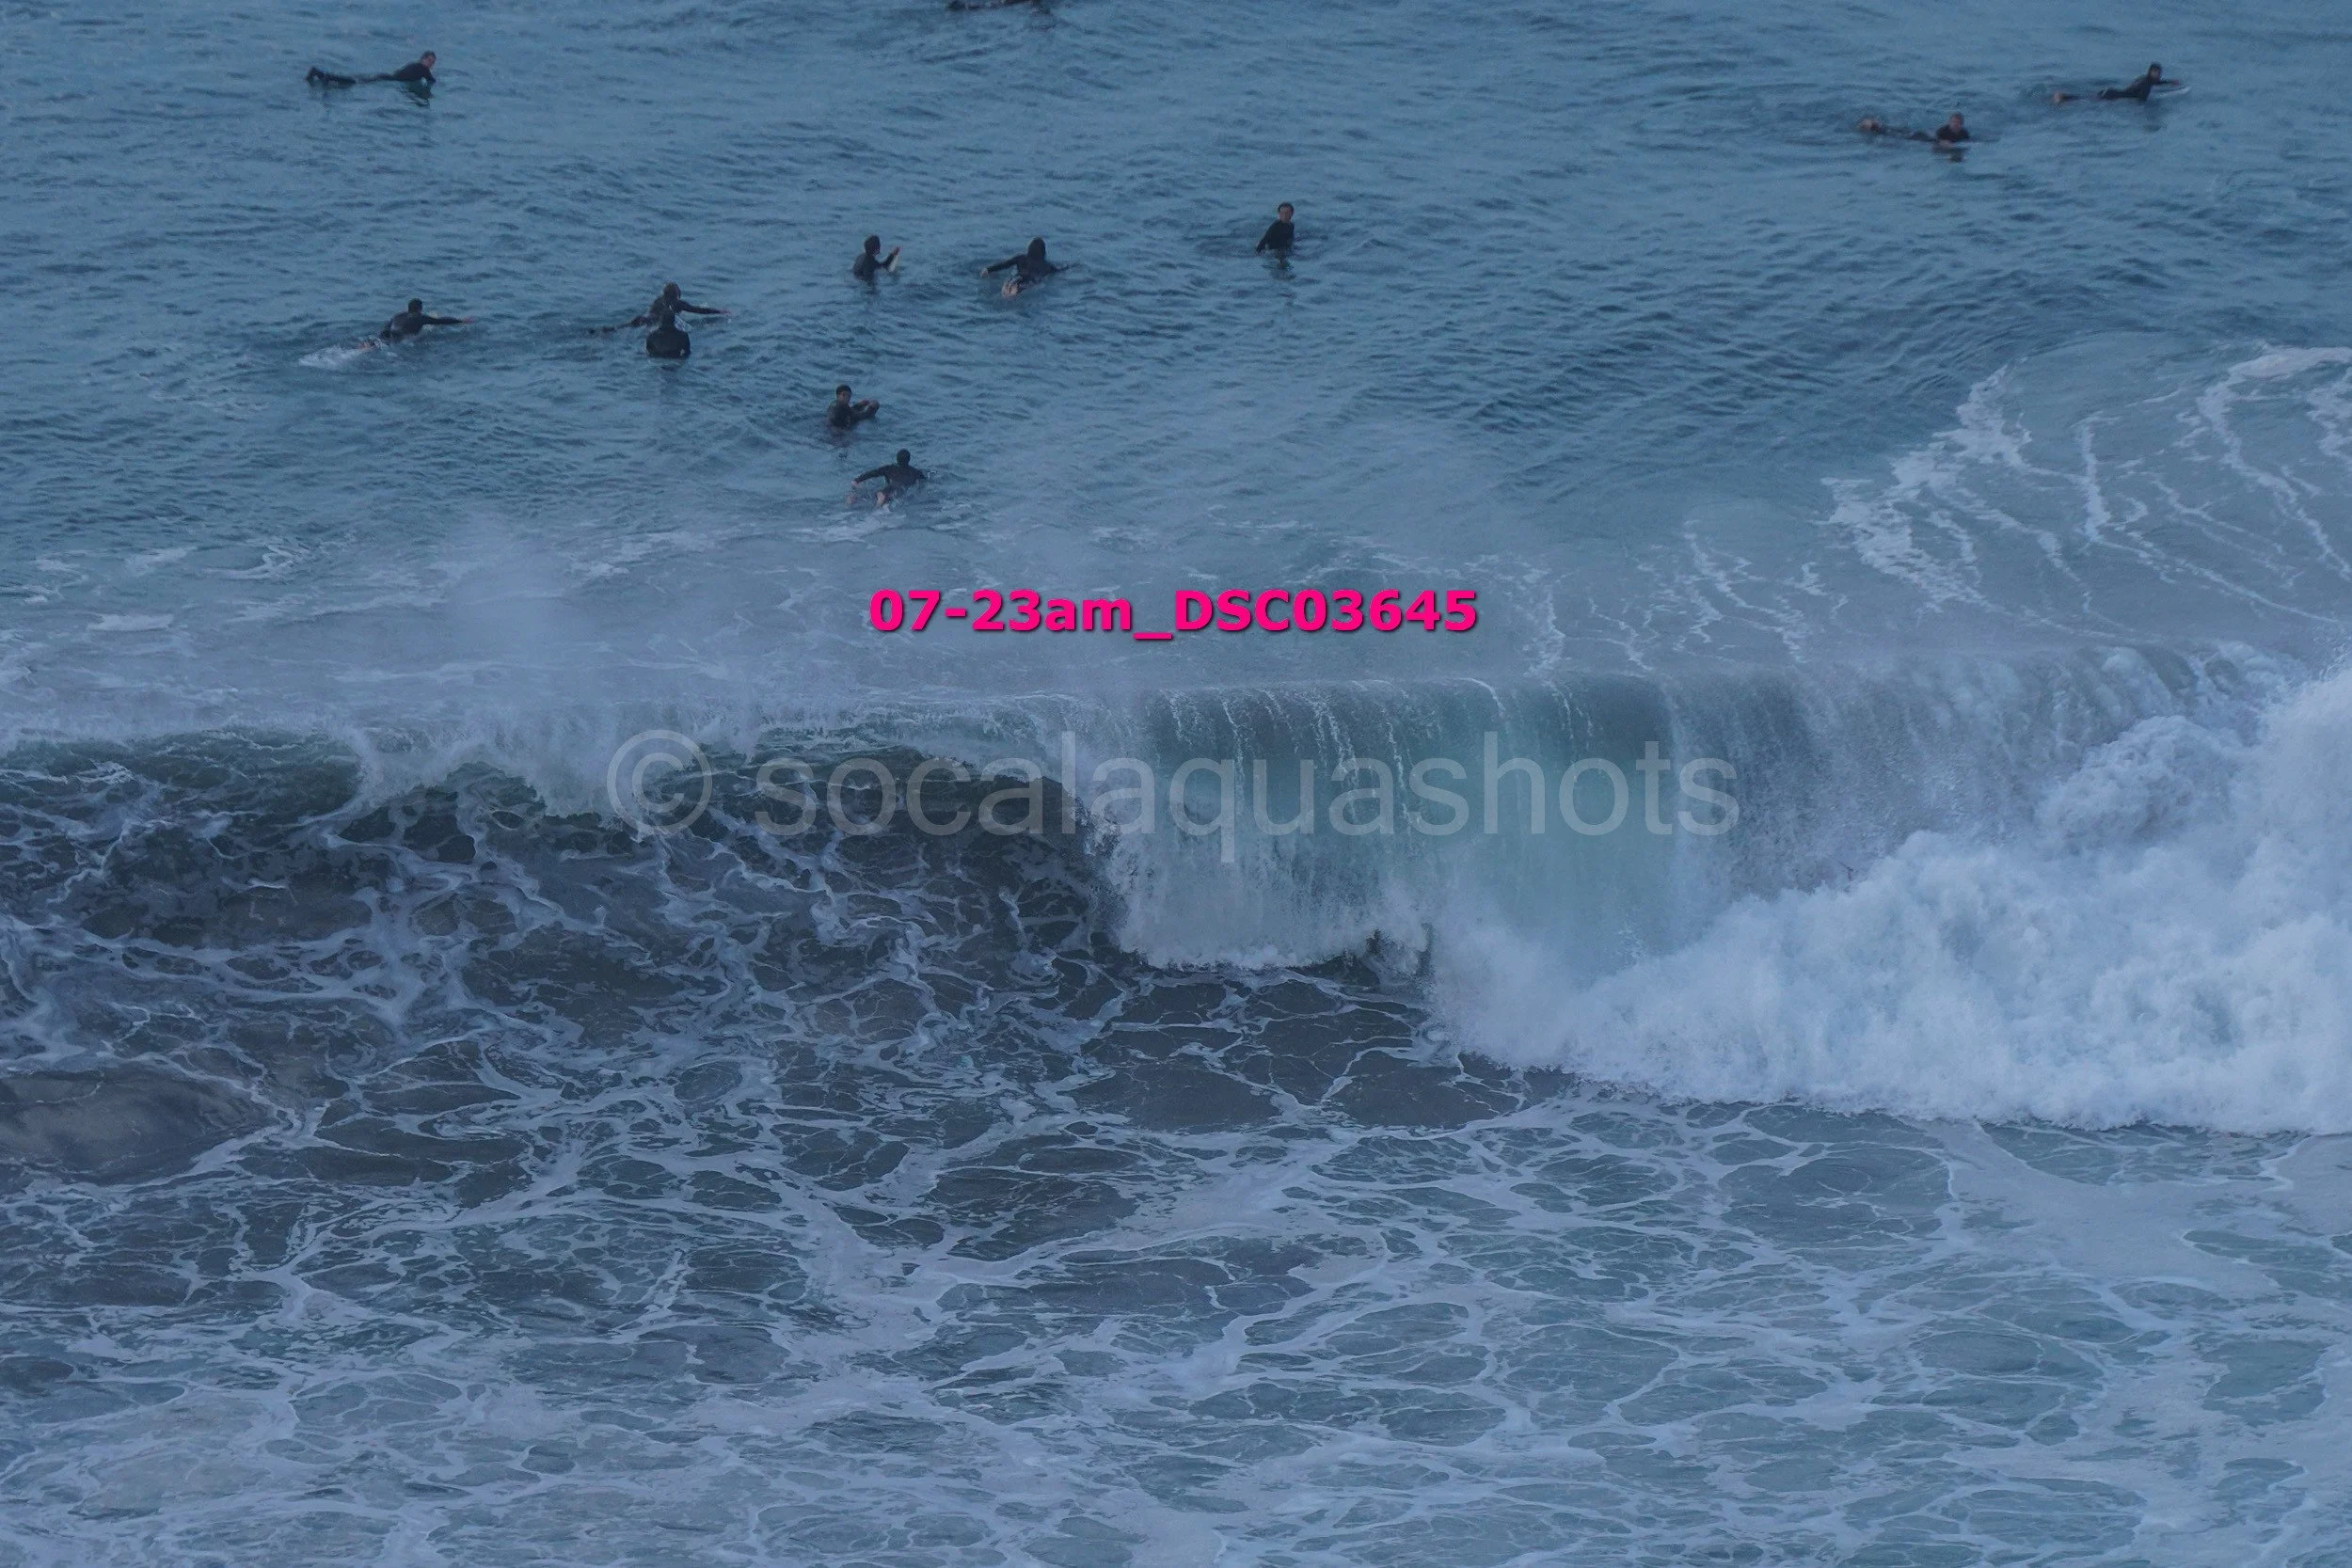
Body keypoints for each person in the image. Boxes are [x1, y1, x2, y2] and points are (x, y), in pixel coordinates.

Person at [606, 282, 727, 332]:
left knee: (620, 328)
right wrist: (719, 311)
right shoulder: (678, 303)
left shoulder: (658, 300)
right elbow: (698, 310)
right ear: (677, 294)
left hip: (641, 318)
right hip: (654, 323)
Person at [2054, 63, 2173, 103]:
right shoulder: (2146, 85)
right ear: (2151, 72)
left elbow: (2155, 82)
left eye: (2159, 73)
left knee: (2089, 97)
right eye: (2156, 73)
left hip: (2112, 91)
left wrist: (2170, 82)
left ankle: (2064, 97)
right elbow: (2141, 100)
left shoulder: (2144, 79)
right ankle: (2064, 98)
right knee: (2086, 100)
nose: (2158, 75)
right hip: (2114, 96)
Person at [308, 52, 437, 87]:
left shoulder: (413, 64)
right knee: (355, 83)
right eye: (429, 61)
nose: (431, 64)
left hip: (386, 77)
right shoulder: (423, 70)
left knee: (356, 81)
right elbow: (432, 81)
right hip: (387, 80)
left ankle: (319, 73)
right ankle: (328, 76)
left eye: (433, 62)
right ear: (423, 59)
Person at [983, 238, 1060, 294]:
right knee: (1022, 288)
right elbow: (1059, 271)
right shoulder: (1048, 266)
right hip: (1031, 281)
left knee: (1011, 284)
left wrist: (988, 269)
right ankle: (1014, 292)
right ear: (1043, 252)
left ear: (1029, 249)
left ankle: (1010, 289)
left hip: (1018, 276)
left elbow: (1004, 265)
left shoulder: (1021, 258)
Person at [377, 298, 470, 342]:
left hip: (389, 332)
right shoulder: (420, 318)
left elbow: (387, 325)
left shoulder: (398, 315)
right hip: (401, 336)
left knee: (379, 342)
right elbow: (441, 321)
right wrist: (460, 321)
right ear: (419, 309)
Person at [853, 450, 926, 504]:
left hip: (889, 488)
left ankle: (853, 499)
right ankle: (881, 498)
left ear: (897, 459)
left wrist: (858, 480)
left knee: (871, 496)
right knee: (892, 495)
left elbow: (872, 473)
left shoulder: (889, 468)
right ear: (909, 460)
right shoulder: (916, 472)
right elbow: (922, 484)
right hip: (899, 492)